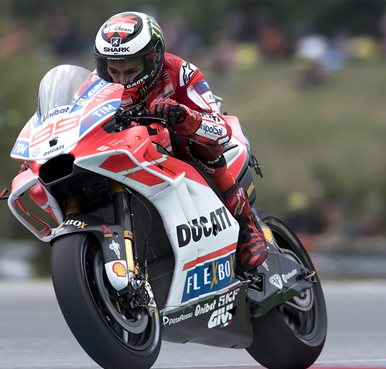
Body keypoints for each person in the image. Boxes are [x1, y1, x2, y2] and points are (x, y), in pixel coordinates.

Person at [87, 11, 268, 272]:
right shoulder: (94, 83)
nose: (122, 80)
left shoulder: (180, 72)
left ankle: (246, 224)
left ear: (153, 58)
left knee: (197, 143)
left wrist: (184, 117)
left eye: (131, 70)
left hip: (180, 149)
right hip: (128, 150)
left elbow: (219, 128)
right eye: (113, 70)